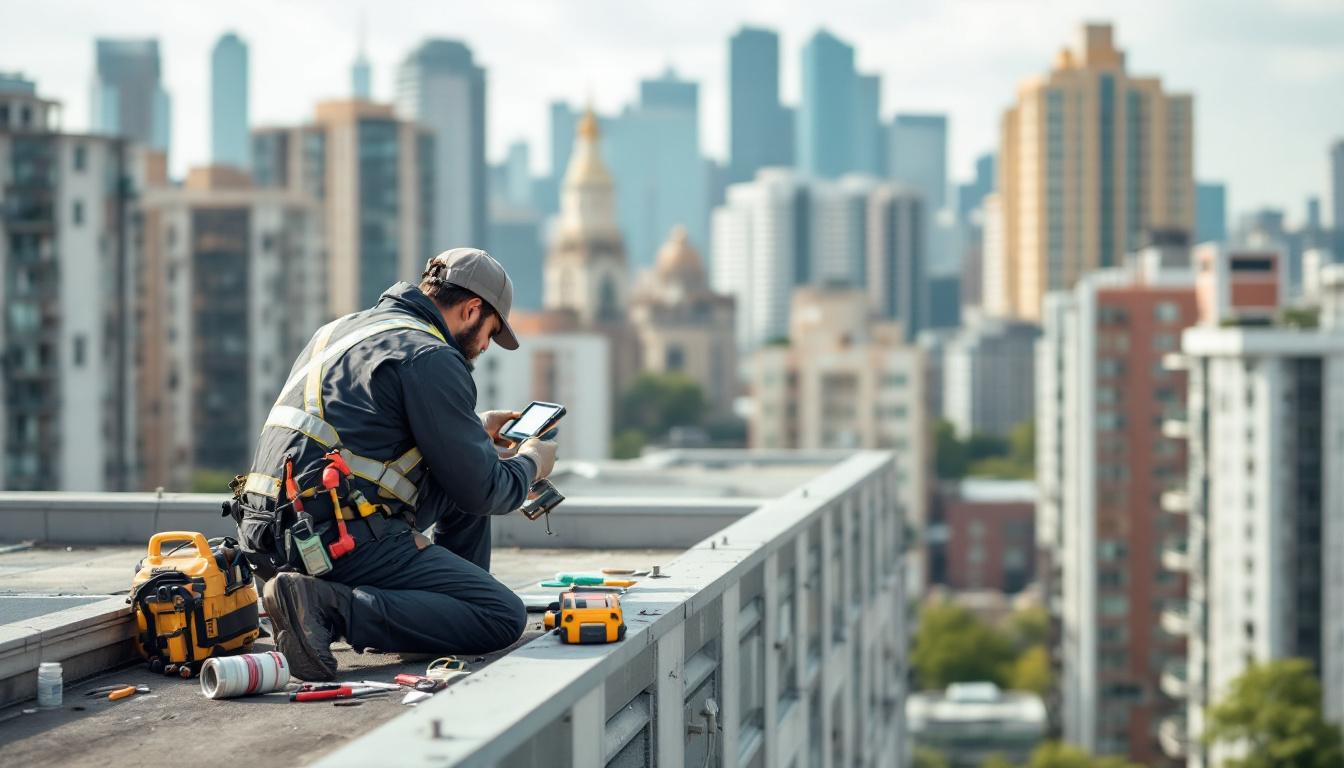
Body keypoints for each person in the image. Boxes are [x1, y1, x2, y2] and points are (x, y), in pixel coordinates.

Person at [229, 248, 558, 681]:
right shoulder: (432, 356)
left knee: (465, 468)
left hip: (269, 536)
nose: (483, 347)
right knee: (498, 615)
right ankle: (327, 607)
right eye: (490, 333)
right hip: (331, 540)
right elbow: (486, 489)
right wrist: (533, 462)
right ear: (472, 309)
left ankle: (443, 609)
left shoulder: (340, 330)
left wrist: (473, 430)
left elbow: (359, 433)